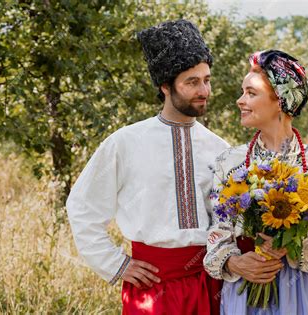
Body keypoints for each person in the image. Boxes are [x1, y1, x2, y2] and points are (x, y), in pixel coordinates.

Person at [66, 19, 229, 314]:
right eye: (191, 82)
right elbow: (82, 206)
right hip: (151, 289)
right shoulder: (125, 143)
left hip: (209, 286)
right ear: (165, 86)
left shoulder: (220, 149)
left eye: (206, 79)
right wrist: (116, 264)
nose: (203, 90)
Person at [203, 49, 308, 314]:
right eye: (243, 92)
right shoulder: (229, 162)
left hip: (298, 292)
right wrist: (234, 263)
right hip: (243, 288)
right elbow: (216, 229)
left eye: (251, 93)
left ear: (280, 100)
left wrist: (293, 245)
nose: (240, 101)